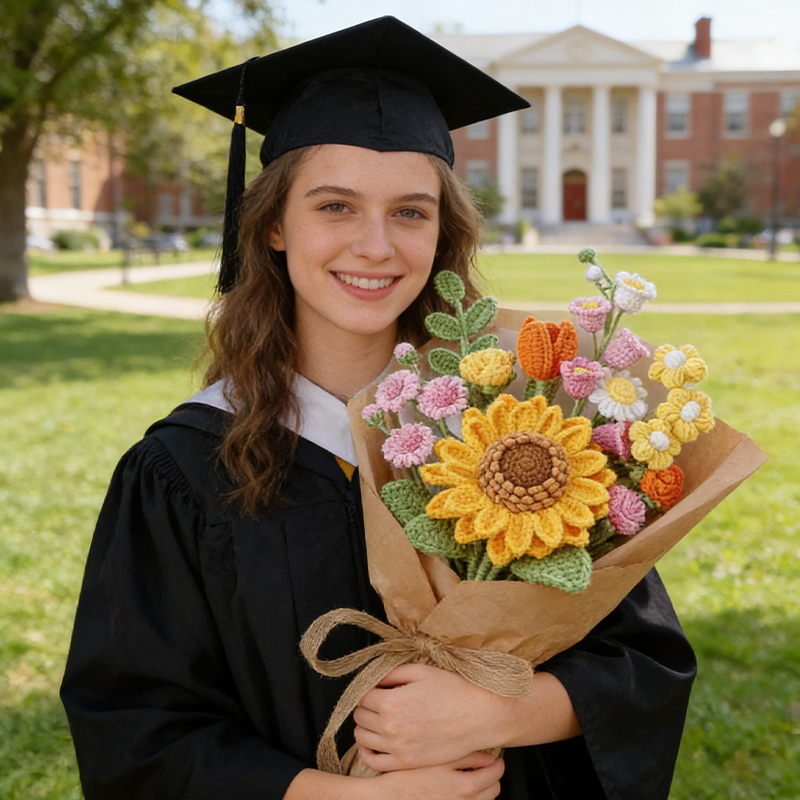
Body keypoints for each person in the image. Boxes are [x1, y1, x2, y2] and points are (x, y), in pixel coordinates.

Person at [60, 16, 696, 800]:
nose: (376, 245)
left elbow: (645, 662)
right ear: (270, 227)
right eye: (335, 206)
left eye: (410, 211)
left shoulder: (530, 430)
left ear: (443, 232)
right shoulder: (184, 467)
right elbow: (133, 727)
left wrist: (503, 710)